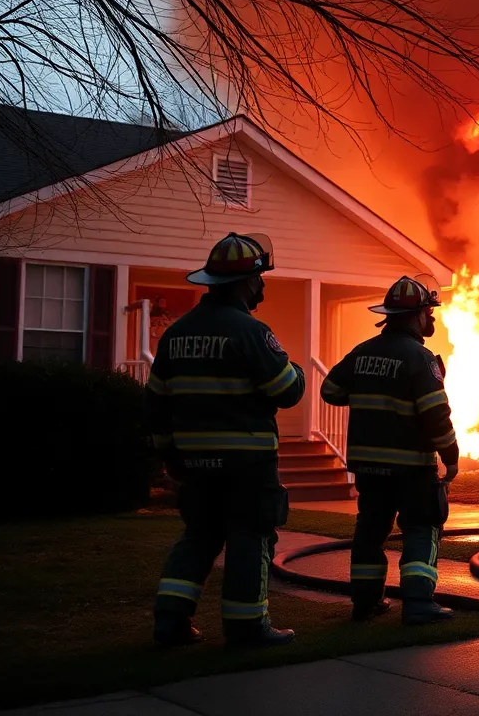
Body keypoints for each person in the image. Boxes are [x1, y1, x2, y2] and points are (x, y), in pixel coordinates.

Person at [149, 232, 305, 647]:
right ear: (246, 282)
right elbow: (287, 391)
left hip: (194, 463)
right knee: (250, 537)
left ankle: (170, 622)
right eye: (259, 278)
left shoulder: (175, 334)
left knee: (198, 536)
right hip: (246, 464)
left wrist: (171, 457)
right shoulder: (250, 331)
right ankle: (247, 627)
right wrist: (294, 368)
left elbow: (157, 403)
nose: (263, 286)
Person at [320, 276, 458, 625]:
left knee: (371, 531)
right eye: (429, 311)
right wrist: (451, 455)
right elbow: (435, 414)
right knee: (421, 527)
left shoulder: (362, 352)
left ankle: (366, 603)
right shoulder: (421, 358)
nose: (433, 319)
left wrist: (369, 391)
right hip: (412, 466)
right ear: (414, 316)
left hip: (369, 466)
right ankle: (418, 603)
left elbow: (331, 391)